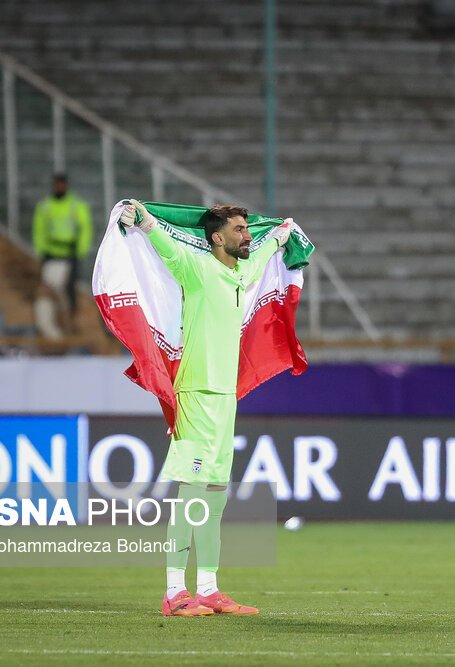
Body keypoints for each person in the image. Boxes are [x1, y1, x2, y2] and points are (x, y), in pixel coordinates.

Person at [119, 199, 292, 617]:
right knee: (191, 498)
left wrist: (280, 236)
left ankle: (209, 589)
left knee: (215, 498)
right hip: (195, 393)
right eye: (238, 230)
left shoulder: (241, 272)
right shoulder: (196, 268)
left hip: (223, 398)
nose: (247, 235)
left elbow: (260, 257)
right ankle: (174, 592)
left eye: (247, 229)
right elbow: (167, 248)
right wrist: (143, 220)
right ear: (217, 238)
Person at [32, 173, 92, 335]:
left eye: (62, 184)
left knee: (69, 289)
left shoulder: (75, 205)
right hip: (51, 253)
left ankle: (70, 320)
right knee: (48, 288)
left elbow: (85, 227)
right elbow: (39, 229)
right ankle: (53, 321)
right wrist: (41, 250)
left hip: (69, 253)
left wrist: (80, 249)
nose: (59, 188)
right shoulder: (45, 205)